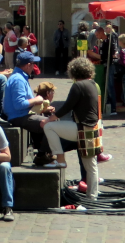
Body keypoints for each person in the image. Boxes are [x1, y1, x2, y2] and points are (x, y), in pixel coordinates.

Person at [41, 57, 102, 195]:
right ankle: (93, 195)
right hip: (93, 128)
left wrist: (49, 119)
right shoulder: (93, 84)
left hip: (81, 128)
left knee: (49, 127)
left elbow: (67, 107)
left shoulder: (77, 86)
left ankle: (60, 159)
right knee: (90, 165)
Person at [2, 51, 53, 165]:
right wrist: (37, 100)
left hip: (22, 114)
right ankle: (41, 156)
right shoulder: (18, 80)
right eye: (33, 64)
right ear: (28, 65)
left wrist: (43, 108)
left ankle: (42, 151)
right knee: (50, 124)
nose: (34, 67)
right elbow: (19, 105)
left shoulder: (20, 77)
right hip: (18, 117)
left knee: (49, 117)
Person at [101, 22, 120, 116]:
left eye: (107, 28)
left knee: (110, 85)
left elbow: (114, 49)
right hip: (108, 63)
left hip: (110, 64)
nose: (106, 30)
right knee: (108, 85)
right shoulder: (107, 39)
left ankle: (113, 107)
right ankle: (110, 106)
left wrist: (113, 55)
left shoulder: (112, 37)